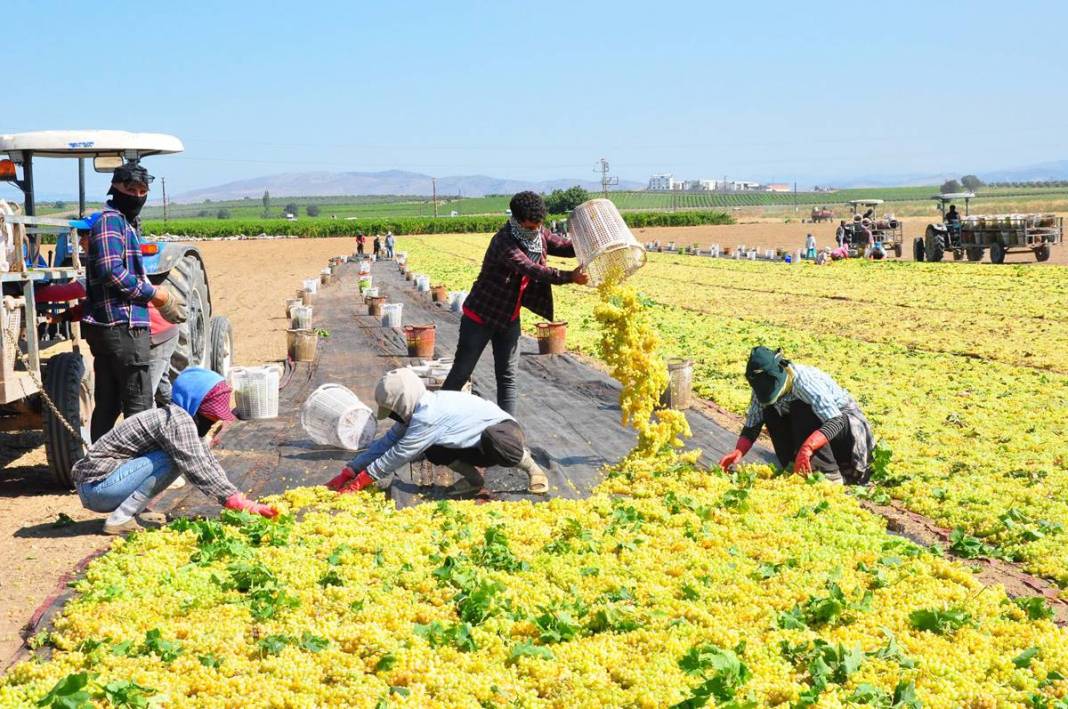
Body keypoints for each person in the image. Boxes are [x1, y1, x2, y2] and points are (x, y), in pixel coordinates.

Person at [73, 368, 278, 534]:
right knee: (174, 459)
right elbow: (198, 467)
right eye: (212, 413)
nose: (215, 419)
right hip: (97, 488)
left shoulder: (182, 418)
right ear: (195, 402)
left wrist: (238, 497)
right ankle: (120, 519)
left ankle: (136, 512)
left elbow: (207, 461)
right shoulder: (178, 421)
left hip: (107, 484)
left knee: (184, 454)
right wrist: (236, 503)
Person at [441, 191, 588, 416]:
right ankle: (434, 420)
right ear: (517, 221)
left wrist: (589, 243)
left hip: (509, 318)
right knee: (461, 373)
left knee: (508, 377)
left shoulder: (537, 234)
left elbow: (566, 247)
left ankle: (507, 433)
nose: (535, 230)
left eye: (539, 226)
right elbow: (532, 269)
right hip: (480, 317)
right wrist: (570, 277)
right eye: (530, 227)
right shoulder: (504, 242)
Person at [326, 368, 549, 494]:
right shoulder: (416, 412)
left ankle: (533, 469)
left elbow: (400, 453)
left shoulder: (429, 415)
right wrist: (351, 470)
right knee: (433, 450)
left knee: (496, 440)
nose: (394, 416)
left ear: (404, 402)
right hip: (473, 446)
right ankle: (473, 480)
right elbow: (386, 443)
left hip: (505, 433)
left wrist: (363, 480)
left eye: (393, 410)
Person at [83, 162, 184, 441]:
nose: (137, 195)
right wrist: (157, 294)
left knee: (109, 403)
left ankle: (99, 469)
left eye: (142, 190)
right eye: (131, 189)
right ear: (115, 189)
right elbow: (111, 271)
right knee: (138, 406)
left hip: (115, 327)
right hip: (122, 325)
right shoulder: (111, 220)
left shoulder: (124, 223)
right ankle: (134, 475)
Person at [718, 347, 875, 484]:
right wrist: (739, 451)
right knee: (770, 410)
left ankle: (828, 474)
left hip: (846, 432)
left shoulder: (804, 381)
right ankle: (794, 465)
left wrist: (807, 448)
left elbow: (835, 420)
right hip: (817, 434)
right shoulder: (761, 387)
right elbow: (753, 423)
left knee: (801, 408)